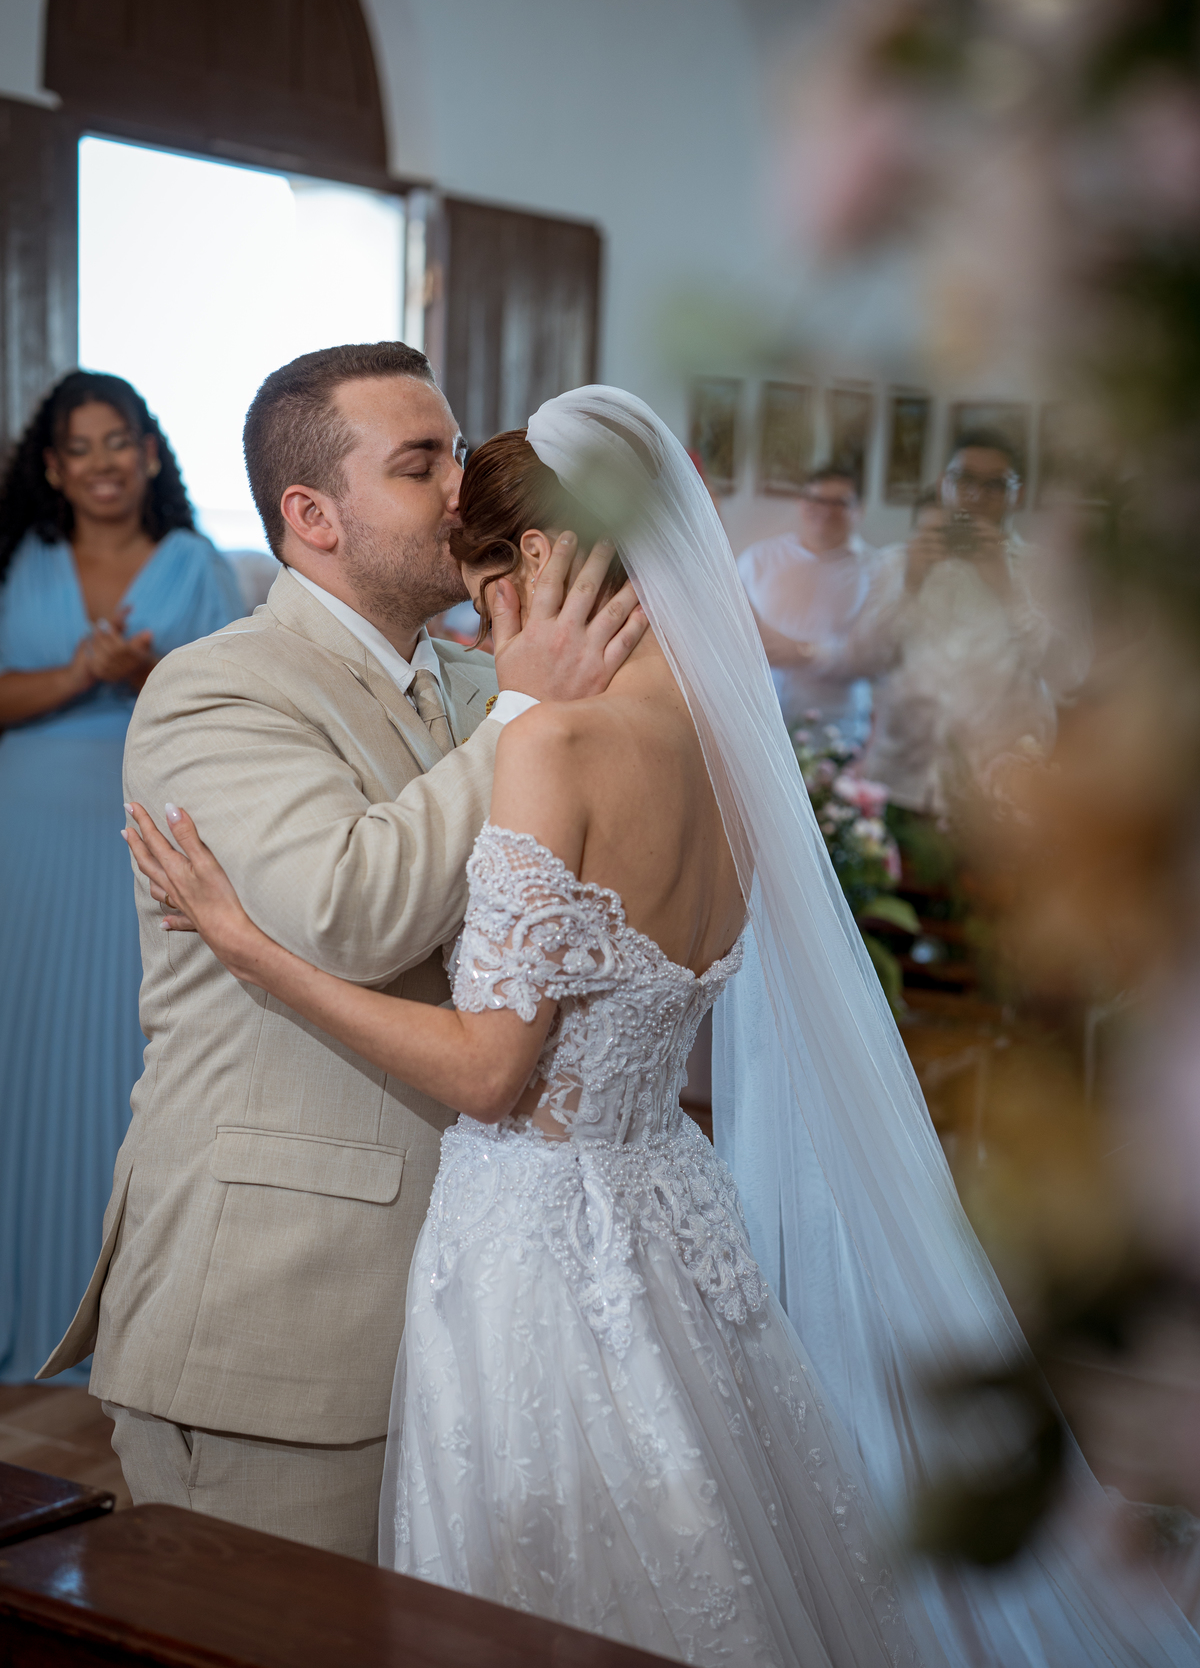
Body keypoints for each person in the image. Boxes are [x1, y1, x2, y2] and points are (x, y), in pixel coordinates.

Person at [121, 387, 1198, 1667]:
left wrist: (249, 948)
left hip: (531, 1239)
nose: (477, 613)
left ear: (535, 565)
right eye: (425, 462)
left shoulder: (546, 735)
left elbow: (490, 1068)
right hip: (670, 1214)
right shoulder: (731, 751)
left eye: (484, 577)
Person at [39, 342, 646, 1565]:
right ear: (312, 517)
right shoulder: (219, 693)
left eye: (461, 453)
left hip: (471, 1302)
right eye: (423, 466)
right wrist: (526, 714)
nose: (466, 492)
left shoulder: (473, 686)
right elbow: (354, 911)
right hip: (276, 1317)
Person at [0, 372, 239, 1387]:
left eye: (118, 441)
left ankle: (119, 1322)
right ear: (53, 467)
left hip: (141, 845)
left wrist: (144, 676)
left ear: (148, 451)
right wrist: (79, 675)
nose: (102, 463)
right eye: (80, 447)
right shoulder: (17, 559)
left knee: (123, 1060)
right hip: (19, 851)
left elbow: (234, 708)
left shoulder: (197, 567)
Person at [815, 431, 1091, 816]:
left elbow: (1070, 674)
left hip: (996, 799)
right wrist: (909, 588)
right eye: (963, 480)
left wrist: (1010, 594)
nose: (976, 495)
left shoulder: (1044, 572)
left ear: (1019, 493)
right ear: (944, 484)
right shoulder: (895, 564)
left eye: (995, 484)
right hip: (897, 786)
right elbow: (859, 660)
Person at [737, 465, 877, 743]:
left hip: (836, 730)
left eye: (839, 502)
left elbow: (876, 655)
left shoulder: (876, 571)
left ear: (858, 509)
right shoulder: (759, 559)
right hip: (760, 726)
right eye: (816, 499)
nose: (825, 510)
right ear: (801, 503)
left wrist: (807, 653)